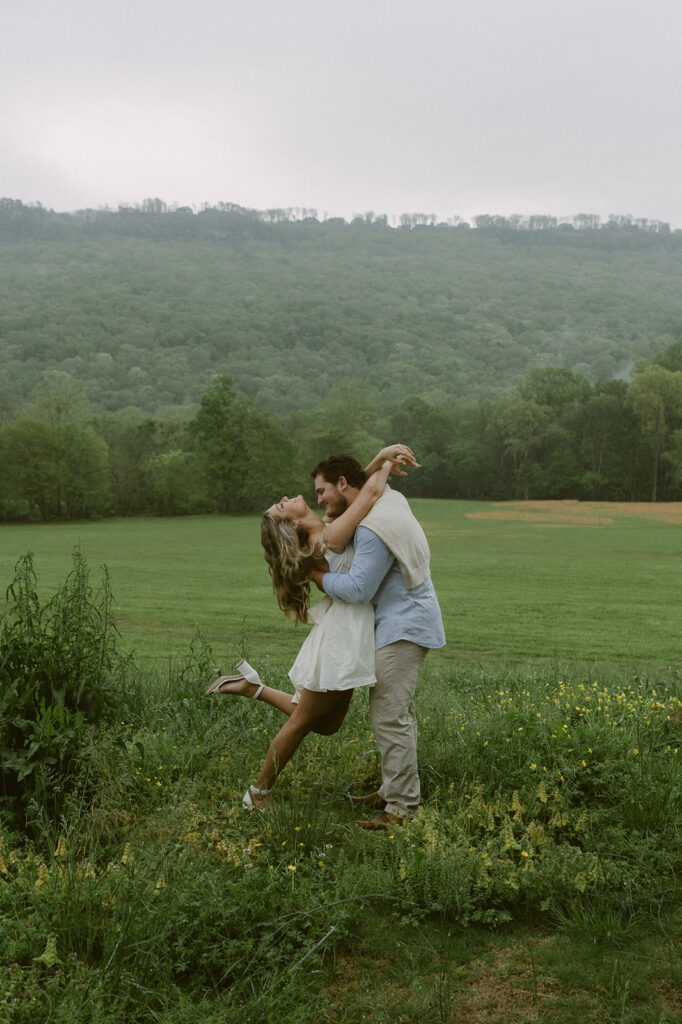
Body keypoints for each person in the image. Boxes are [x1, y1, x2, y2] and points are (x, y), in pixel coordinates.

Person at [206, 444, 418, 812]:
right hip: (344, 633)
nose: (286, 498)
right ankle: (257, 795)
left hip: (350, 629)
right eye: (280, 505)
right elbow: (366, 491)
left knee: (327, 724)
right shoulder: (324, 539)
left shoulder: (326, 528)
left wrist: (377, 463)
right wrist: (385, 459)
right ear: (290, 523)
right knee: (305, 721)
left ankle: (254, 688)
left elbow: (351, 488)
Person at [310, 454, 445, 830]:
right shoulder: (385, 498)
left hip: (404, 627)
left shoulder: (371, 527)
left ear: (341, 483)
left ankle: (401, 811)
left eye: (321, 491)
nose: (319, 500)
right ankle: (392, 790)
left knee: (390, 715)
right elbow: (364, 483)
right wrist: (380, 462)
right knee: (391, 713)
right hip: (405, 621)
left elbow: (357, 588)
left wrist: (315, 576)